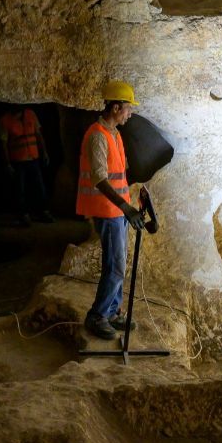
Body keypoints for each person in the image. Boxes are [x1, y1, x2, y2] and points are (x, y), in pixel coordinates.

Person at [77, 80, 147, 340]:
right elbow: (99, 178)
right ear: (116, 107)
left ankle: (114, 311)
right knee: (115, 265)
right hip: (108, 211)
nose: (130, 113)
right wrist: (125, 207)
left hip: (118, 211)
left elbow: (119, 175)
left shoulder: (114, 134)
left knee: (119, 263)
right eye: (128, 108)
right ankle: (97, 316)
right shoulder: (98, 135)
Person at [0, 106, 53, 226]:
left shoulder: (30, 114)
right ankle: (23, 215)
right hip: (18, 160)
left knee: (39, 186)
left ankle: (43, 211)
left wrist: (44, 152)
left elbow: (38, 135)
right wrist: (7, 163)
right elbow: (3, 144)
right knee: (20, 189)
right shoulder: (5, 120)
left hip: (33, 157)